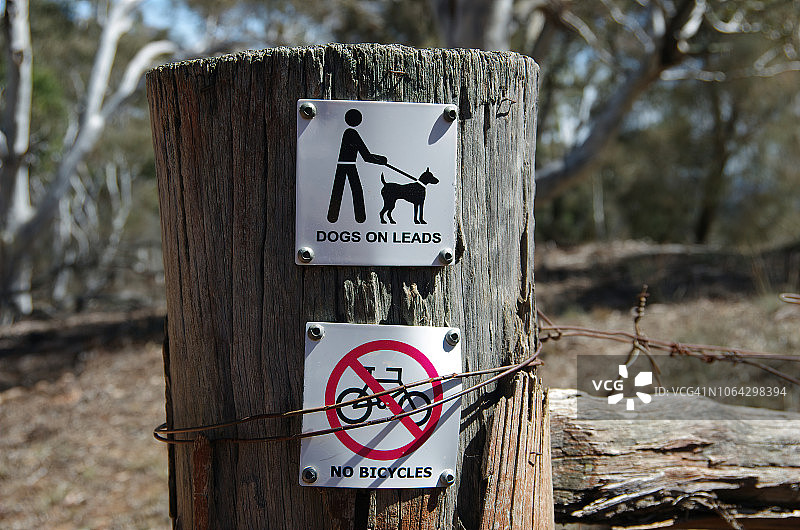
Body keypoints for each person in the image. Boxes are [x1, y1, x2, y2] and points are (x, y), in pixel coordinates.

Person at [327, 109, 387, 223]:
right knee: (356, 190)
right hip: (349, 165)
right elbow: (366, 156)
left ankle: (333, 217)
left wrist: (379, 160)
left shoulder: (348, 133)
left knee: (339, 190)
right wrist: (381, 160)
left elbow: (366, 156)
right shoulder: (351, 133)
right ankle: (359, 218)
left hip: (343, 165)